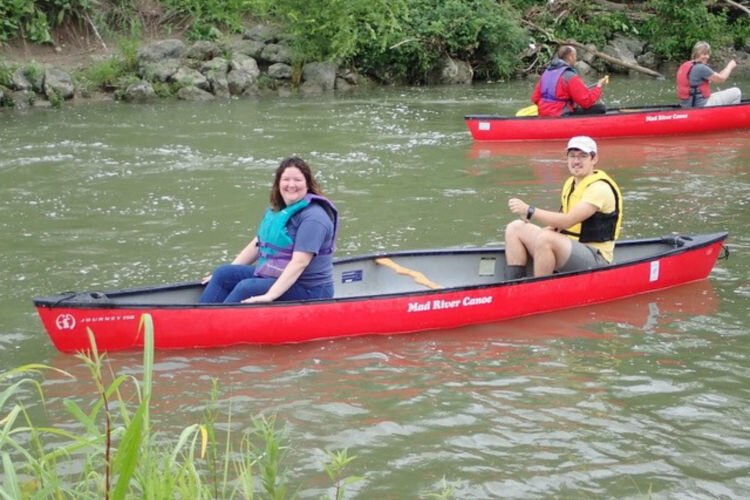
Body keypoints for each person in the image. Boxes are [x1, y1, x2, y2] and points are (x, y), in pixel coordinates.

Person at [199, 156, 338, 303]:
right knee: (223, 273)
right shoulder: (279, 211)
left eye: (297, 180)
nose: (291, 185)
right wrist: (226, 270)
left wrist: (270, 296)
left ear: (307, 184)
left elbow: (300, 262)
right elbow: (257, 244)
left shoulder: (314, 218)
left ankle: (217, 323)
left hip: (310, 290)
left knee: (246, 287)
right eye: (286, 179)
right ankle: (200, 319)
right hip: (277, 276)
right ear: (278, 183)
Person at [504, 136, 622, 279]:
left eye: (582, 156)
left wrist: (529, 211)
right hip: (568, 247)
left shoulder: (599, 189)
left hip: (596, 259)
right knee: (515, 228)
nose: (576, 161)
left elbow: (567, 221)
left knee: (546, 239)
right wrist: (538, 233)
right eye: (572, 156)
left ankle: (540, 291)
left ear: (594, 159)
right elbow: (559, 226)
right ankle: (513, 285)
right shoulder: (570, 183)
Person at [531, 45, 609, 117]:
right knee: (601, 108)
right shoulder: (569, 75)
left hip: (543, 113)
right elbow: (586, 102)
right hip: (561, 114)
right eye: (575, 56)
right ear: (570, 57)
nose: (576, 58)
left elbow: (535, 98)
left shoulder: (546, 73)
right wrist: (598, 87)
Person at [676, 41, 741, 108]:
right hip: (701, 106)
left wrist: (725, 70)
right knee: (736, 92)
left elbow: (718, 76)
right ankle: (731, 117)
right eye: (704, 54)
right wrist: (730, 66)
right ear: (696, 54)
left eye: (708, 54)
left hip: (686, 106)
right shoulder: (701, 68)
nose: (707, 57)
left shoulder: (686, 66)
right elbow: (721, 79)